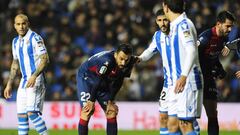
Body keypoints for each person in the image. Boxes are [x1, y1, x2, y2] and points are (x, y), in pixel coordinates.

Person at [138, 9, 200, 135]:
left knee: (185, 122)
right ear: (156, 21)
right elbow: (149, 51)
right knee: (164, 119)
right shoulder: (157, 36)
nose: (163, 23)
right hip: (168, 85)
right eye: (160, 20)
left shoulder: (178, 32)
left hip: (183, 81)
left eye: (165, 19)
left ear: (170, 19)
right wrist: (139, 58)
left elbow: (191, 50)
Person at [162, 0, 203, 134]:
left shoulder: (183, 25)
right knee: (172, 125)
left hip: (187, 81)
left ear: (166, 7)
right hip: (177, 83)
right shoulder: (175, 26)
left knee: (185, 124)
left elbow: (191, 50)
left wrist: (184, 75)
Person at [76, 44, 136, 135]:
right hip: (86, 77)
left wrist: (111, 100)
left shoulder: (129, 63)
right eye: (121, 59)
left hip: (102, 79)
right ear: (115, 55)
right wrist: (91, 101)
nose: (123, 62)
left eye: (126, 60)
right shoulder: (107, 61)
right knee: (87, 111)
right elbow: (98, 80)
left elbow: (119, 80)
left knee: (111, 111)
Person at [3, 14, 49, 135]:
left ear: (27, 24)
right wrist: (9, 84)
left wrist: (34, 76)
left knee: (32, 113)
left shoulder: (35, 38)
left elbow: (45, 59)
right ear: (14, 26)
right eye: (18, 24)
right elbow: (15, 63)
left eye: (23, 23)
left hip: (37, 79)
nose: (21, 26)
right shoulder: (15, 42)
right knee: (22, 116)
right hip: (24, 82)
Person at [198, 11, 235, 135]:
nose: (230, 29)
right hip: (197, 79)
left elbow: (213, 57)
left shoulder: (223, 39)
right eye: (228, 26)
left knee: (213, 114)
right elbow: (192, 56)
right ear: (218, 24)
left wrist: (219, 69)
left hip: (209, 78)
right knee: (190, 115)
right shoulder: (206, 37)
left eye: (231, 27)